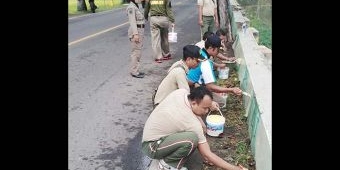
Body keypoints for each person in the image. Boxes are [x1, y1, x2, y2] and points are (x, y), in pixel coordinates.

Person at [142, 86, 248, 170]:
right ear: (194, 103)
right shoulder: (191, 122)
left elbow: (195, 113)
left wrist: (203, 124)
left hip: (153, 135)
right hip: (152, 146)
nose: (207, 111)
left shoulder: (181, 92)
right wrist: (235, 168)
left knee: (191, 137)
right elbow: (207, 154)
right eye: (205, 108)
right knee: (191, 140)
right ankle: (167, 165)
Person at [187, 35, 242, 105]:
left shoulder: (201, 52)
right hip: (191, 88)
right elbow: (210, 87)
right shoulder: (206, 63)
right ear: (211, 48)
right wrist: (231, 90)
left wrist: (220, 64)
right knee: (221, 102)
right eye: (218, 50)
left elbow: (211, 63)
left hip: (190, 81)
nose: (218, 52)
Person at [127, 0, 146, 78]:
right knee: (136, 52)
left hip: (139, 31)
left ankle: (136, 70)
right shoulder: (131, 7)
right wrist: (135, 34)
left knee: (138, 51)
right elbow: (132, 22)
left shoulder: (136, 6)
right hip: (136, 32)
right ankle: (134, 71)